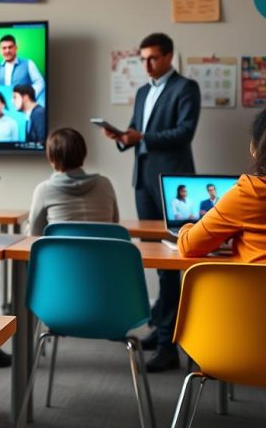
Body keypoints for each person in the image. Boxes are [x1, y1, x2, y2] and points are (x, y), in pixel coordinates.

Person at [103, 32, 200, 373]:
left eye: (152, 58)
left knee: (174, 258)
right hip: (143, 181)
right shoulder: (144, 91)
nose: (146, 64)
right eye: (142, 58)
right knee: (154, 260)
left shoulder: (186, 88)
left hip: (175, 186)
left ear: (169, 57)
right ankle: (160, 326)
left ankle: (170, 343)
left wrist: (141, 136)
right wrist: (121, 137)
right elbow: (134, 130)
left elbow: (184, 132)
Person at [178, 108, 266, 262]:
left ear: (255, 148)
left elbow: (188, 246)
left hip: (250, 286)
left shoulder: (250, 192)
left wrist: (185, 228)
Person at [28, 128, 120, 236]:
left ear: (51, 158)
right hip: (103, 253)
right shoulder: (105, 184)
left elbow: (33, 235)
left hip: (61, 253)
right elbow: (115, 222)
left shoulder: (43, 190)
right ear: (84, 153)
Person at [0, 34, 45, 100]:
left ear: (16, 48)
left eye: (10, 47)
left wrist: (30, 96)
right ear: (0, 50)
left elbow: (40, 82)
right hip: (4, 102)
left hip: (24, 103)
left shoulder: (29, 63)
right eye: (4, 48)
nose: (7, 51)